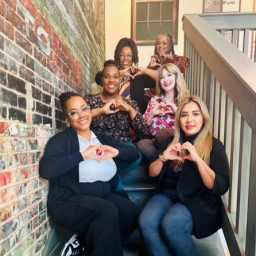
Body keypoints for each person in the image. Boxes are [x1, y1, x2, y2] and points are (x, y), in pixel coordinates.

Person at [39, 92, 141, 256]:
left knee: (131, 213)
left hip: (102, 195)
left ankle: (86, 246)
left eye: (84, 109)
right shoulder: (61, 140)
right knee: (107, 211)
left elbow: (134, 154)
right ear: (68, 118)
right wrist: (82, 155)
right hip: (69, 200)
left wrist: (116, 152)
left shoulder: (100, 138)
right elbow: (46, 169)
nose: (81, 115)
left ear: (90, 110)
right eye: (74, 112)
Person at [138, 95, 230, 256]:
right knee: (146, 222)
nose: (189, 120)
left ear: (204, 118)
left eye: (195, 114)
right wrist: (163, 157)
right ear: (179, 119)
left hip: (196, 198)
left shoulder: (214, 146)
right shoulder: (171, 142)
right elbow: (150, 172)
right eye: (184, 115)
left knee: (171, 225)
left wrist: (198, 160)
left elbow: (220, 186)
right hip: (167, 195)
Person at [85, 60, 149, 189]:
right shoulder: (90, 100)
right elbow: (79, 118)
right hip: (98, 143)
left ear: (120, 80)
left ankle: (104, 176)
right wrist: (101, 110)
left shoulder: (130, 103)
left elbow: (143, 129)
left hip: (122, 145)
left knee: (136, 157)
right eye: (107, 77)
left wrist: (129, 109)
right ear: (102, 80)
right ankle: (111, 180)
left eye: (116, 77)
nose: (111, 81)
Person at [136, 63, 189, 161]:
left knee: (161, 134)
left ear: (176, 77)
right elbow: (141, 128)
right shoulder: (154, 100)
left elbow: (189, 126)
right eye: (162, 77)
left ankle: (165, 161)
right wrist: (152, 114)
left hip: (178, 142)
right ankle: (167, 161)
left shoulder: (185, 100)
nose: (166, 80)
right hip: (156, 143)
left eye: (169, 75)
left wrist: (176, 112)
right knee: (142, 145)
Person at [95, 38, 156, 113]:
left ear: (133, 57)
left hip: (133, 118)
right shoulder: (112, 72)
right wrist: (120, 73)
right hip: (112, 115)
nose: (126, 58)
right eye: (122, 55)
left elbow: (157, 81)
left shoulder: (138, 76)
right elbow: (98, 78)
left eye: (129, 55)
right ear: (118, 56)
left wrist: (145, 70)